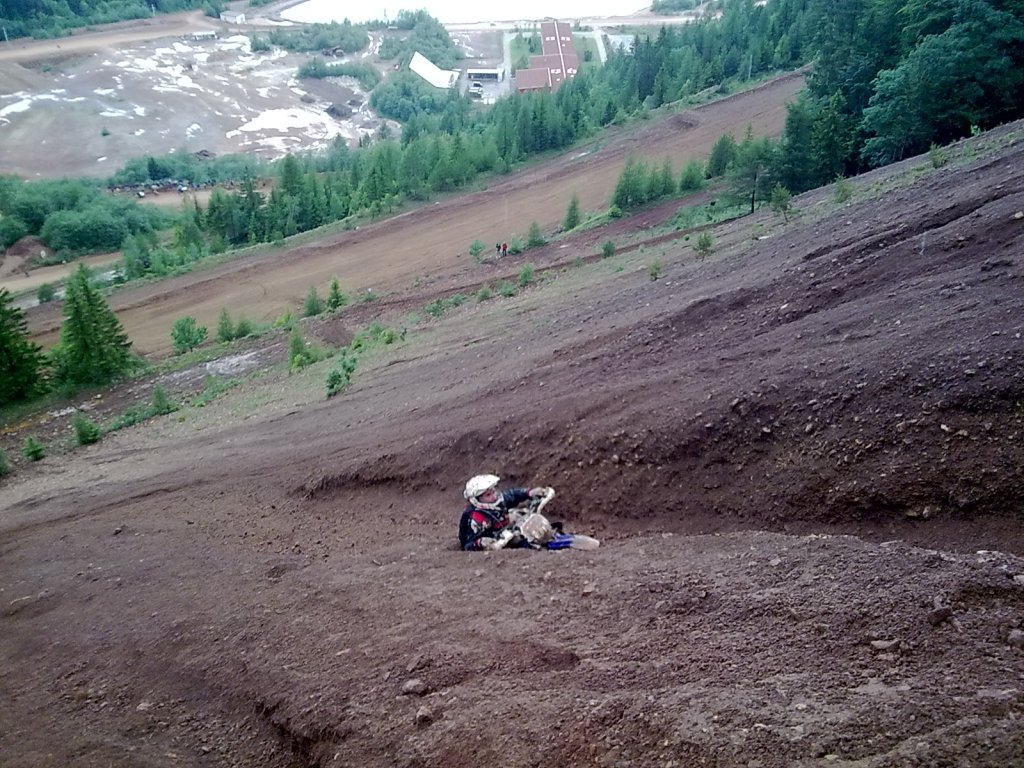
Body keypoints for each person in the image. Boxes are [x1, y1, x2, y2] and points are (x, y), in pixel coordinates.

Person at [459, 474, 548, 551]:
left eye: (493, 491)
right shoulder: (476, 518)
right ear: (477, 499)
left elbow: (513, 494)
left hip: (505, 528)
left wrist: (529, 493)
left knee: (520, 514)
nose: (494, 496)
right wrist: (480, 542)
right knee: (517, 539)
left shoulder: (498, 500)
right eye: (488, 495)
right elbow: (467, 544)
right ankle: (534, 547)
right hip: (497, 539)